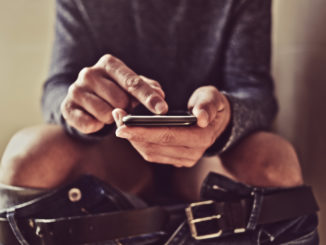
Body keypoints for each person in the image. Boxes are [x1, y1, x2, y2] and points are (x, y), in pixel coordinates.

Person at [0, 0, 319, 244]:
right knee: (28, 155)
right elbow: (57, 88)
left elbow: (256, 93)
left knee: (275, 162)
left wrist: (225, 115)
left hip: (208, 159)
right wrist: (76, 106)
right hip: (113, 152)